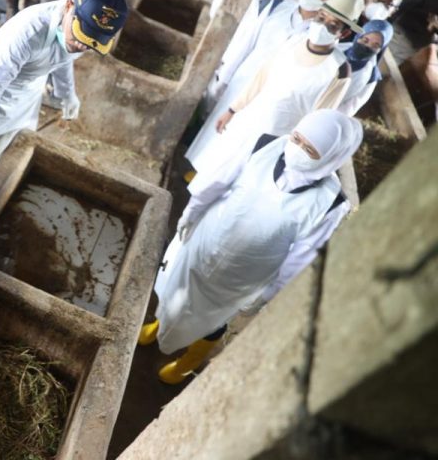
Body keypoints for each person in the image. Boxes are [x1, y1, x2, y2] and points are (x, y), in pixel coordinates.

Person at [139, 110, 363, 384]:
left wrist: (267, 294)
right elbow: (218, 180)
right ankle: (160, 325)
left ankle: (187, 363)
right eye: (297, 139)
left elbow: (301, 257)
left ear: (331, 158)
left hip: (244, 275)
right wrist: (192, 211)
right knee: (177, 285)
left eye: (310, 150)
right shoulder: (265, 145)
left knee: (213, 318)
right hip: (207, 241)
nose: (297, 151)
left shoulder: (330, 203)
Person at [0, 0, 128, 189]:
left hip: (26, 99)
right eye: (80, 35)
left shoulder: (76, 36)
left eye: (89, 43)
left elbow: (63, 57)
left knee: (0, 167)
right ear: (69, 7)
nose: (80, 45)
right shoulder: (29, 30)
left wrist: (67, 94)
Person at [191, 0, 348, 172]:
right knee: (214, 135)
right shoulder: (274, 6)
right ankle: (195, 171)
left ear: (332, 0)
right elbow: (245, 44)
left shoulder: (321, 34)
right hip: (243, 83)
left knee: (242, 148)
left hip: (273, 95)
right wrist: (225, 77)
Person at [338, 19, 393, 116]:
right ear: (358, 35)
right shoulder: (336, 49)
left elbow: (350, 107)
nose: (367, 46)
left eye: (375, 45)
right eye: (365, 40)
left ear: (381, 49)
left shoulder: (371, 77)